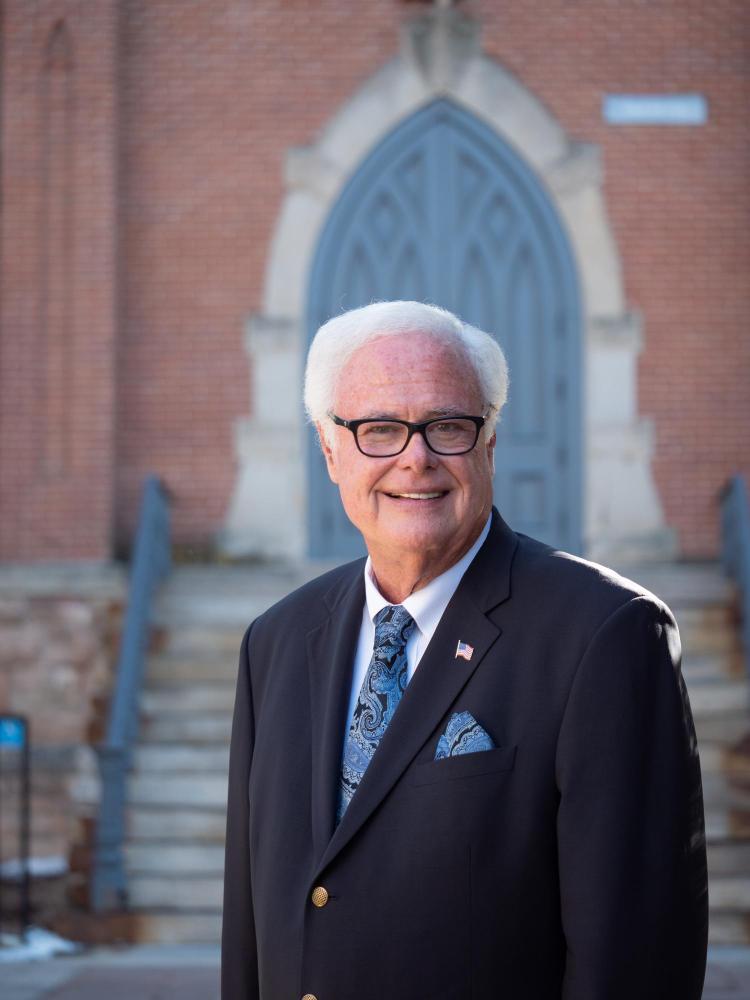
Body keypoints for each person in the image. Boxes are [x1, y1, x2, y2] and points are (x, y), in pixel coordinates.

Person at [222, 300, 707, 1000]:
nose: (415, 458)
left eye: (448, 426)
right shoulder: (275, 642)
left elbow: (638, 966)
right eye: (379, 429)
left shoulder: (607, 635)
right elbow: (251, 937)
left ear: (490, 443)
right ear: (330, 452)